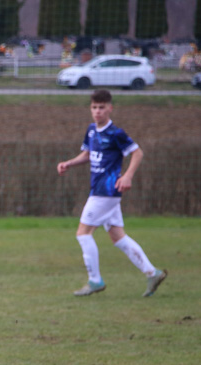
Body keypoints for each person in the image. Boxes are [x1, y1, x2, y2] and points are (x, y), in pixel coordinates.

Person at [57, 89, 167, 297]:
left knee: (83, 234)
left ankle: (95, 281)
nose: (97, 112)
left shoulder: (116, 133)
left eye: (101, 107)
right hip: (100, 191)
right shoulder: (91, 131)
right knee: (118, 237)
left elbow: (137, 152)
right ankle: (152, 273)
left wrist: (128, 176)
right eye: (94, 107)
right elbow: (88, 154)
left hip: (105, 191)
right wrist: (69, 163)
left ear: (110, 108)